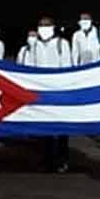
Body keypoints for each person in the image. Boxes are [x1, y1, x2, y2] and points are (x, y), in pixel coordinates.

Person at [33, 16, 73, 173]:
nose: (43, 28)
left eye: (47, 25)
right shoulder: (35, 45)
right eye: (41, 25)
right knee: (45, 128)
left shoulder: (62, 44)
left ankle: (62, 160)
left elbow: (67, 67)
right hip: (41, 93)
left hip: (58, 91)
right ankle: (48, 160)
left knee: (61, 128)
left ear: (53, 27)